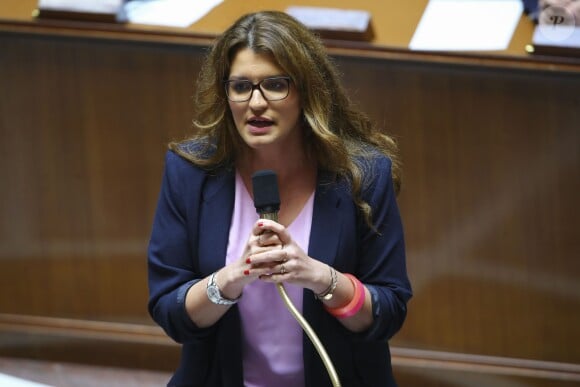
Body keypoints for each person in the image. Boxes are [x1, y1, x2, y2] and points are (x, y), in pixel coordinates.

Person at [147, 10, 412, 387]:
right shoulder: (191, 172)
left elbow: (388, 313)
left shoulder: (362, 175)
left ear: (306, 91)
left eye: (274, 85)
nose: (255, 103)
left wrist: (322, 278)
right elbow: (170, 313)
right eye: (241, 86)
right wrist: (231, 279)